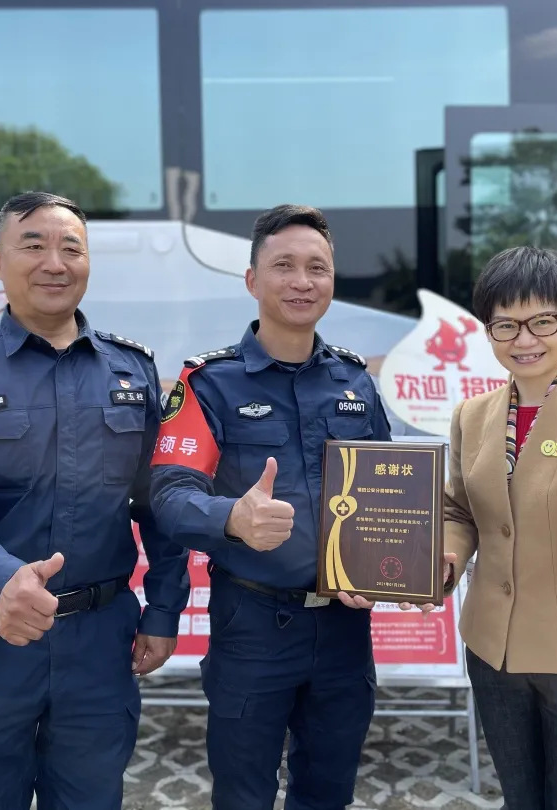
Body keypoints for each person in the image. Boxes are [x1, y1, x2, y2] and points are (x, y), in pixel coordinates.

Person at [0, 191, 189, 810]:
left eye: (71, 248)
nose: (55, 263)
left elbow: (159, 502)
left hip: (100, 645)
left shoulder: (131, 371)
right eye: (33, 245)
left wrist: (163, 611)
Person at [149, 204, 391, 810]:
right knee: (244, 793)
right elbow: (168, 496)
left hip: (343, 630)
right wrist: (231, 517)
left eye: (317, 267)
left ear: (332, 281)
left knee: (329, 791)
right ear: (252, 280)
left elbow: (386, 496)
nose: (302, 281)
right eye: (284, 266)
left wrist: (396, 564)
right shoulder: (209, 383)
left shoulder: (355, 382)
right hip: (253, 626)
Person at [403, 246, 557, 810]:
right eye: (506, 325)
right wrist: (444, 556)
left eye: (543, 321)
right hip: (494, 652)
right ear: (487, 330)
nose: (525, 340)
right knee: (520, 798)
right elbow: (459, 510)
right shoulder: (473, 416)